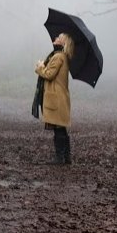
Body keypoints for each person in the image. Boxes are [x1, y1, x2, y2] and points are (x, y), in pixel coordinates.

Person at [34, 33, 75, 165]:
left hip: (56, 98)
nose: (55, 38)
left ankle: (59, 158)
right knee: (61, 128)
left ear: (63, 42)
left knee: (58, 129)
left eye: (58, 37)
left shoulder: (58, 56)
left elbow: (49, 74)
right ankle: (66, 157)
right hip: (60, 97)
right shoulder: (62, 56)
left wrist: (40, 66)